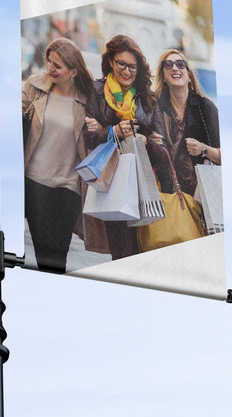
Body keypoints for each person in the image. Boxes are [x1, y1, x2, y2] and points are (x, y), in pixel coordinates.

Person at [84, 35, 164, 260]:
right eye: (121, 64)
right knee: (122, 255)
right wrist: (113, 132)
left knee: (147, 254)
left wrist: (145, 140)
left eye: (132, 66)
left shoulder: (148, 98)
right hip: (114, 182)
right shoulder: (97, 91)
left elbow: (161, 145)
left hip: (145, 183)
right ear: (111, 61)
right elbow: (87, 138)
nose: (127, 71)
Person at [22, 38, 95, 273]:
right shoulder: (35, 87)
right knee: (44, 252)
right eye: (49, 62)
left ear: (74, 71)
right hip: (35, 182)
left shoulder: (89, 101)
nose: (50, 69)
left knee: (58, 255)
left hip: (69, 186)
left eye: (58, 65)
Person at [153, 49, 221, 198]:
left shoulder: (205, 107)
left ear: (189, 76)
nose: (175, 68)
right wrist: (151, 143)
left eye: (180, 64)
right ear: (163, 76)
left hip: (203, 198)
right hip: (170, 199)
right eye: (168, 65)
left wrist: (203, 149)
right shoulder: (156, 110)